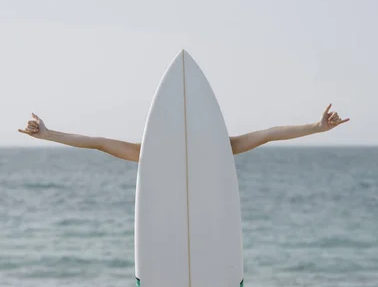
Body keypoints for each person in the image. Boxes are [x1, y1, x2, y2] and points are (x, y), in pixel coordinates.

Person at [18, 104, 349, 162]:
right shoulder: (149, 153)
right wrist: (48, 134)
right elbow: (98, 143)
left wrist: (317, 128)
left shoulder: (220, 148)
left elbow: (270, 134)